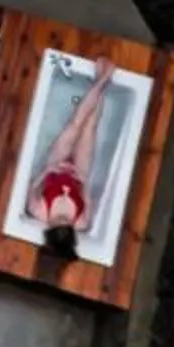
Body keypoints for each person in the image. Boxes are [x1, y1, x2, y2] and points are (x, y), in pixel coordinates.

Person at [25, 57, 119, 255]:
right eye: (66, 221)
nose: (64, 218)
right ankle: (102, 81)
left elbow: (31, 186)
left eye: (59, 220)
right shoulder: (82, 223)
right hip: (78, 173)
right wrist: (83, 182)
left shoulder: (38, 210)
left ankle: (103, 79)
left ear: (49, 227)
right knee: (90, 127)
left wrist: (48, 170)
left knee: (75, 123)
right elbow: (89, 200)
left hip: (56, 165)